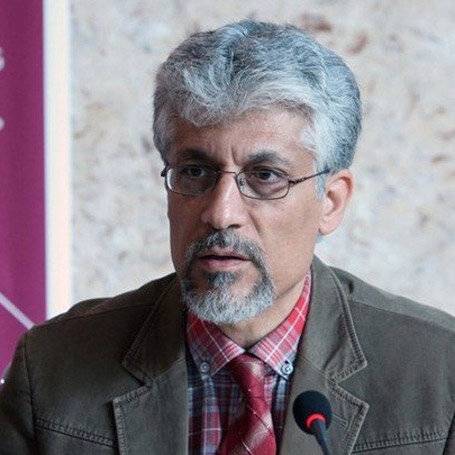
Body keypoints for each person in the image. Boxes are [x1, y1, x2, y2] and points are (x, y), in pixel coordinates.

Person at [0, 19, 454, 455]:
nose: (221, 214)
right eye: (195, 172)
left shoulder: (439, 371)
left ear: (331, 202)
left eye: (265, 176)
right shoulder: (54, 369)